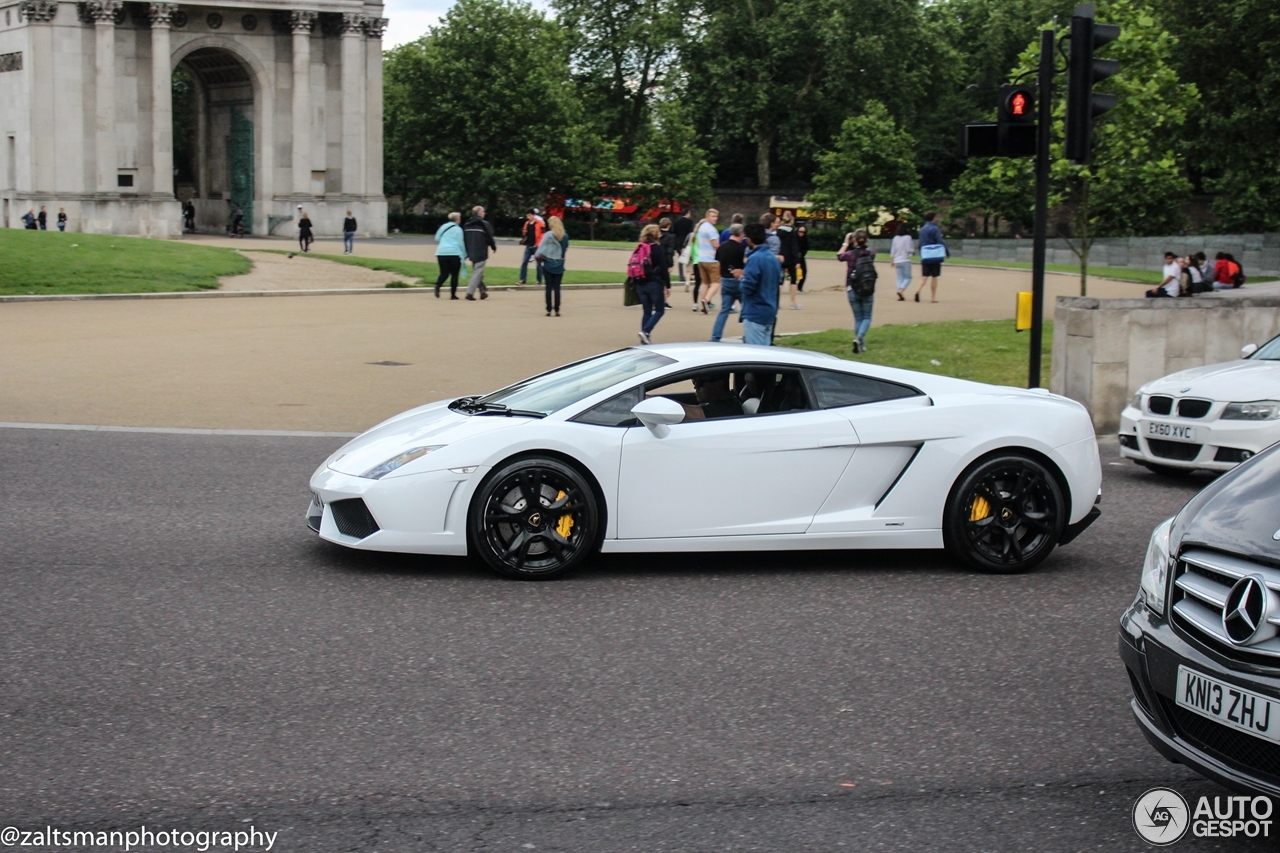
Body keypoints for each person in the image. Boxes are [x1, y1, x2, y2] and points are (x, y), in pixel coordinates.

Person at [739, 223, 781, 346]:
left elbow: (748, 287)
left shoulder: (754, 258)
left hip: (755, 312)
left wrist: (741, 278)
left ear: (750, 239)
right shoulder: (773, 259)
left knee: (754, 353)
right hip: (770, 310)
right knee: (765, 353)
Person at [839, 229, 877, 353]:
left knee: (858, 317)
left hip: (852, 287)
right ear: (867, 240)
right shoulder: (871, 254)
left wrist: (846, 242)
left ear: (854, 240)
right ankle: (859, 339)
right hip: (867, 287)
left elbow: (839, 256)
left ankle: (860, 342)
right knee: (867, 317)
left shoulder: (850, 254)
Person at [634, 224, 670, 344]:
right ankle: (646, 332)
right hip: (654, 282)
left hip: (640, 282)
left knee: (647, 310)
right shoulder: (657, 248)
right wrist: (667, 285)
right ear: (656, 235)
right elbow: (664, 268)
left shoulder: (640, 247)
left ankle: (644, 338)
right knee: (660, 310)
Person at [710, 223, 746, 342]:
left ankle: (715, 336)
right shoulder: (742, 249)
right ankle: (748, 334)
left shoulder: (722, 247)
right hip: (739, 280)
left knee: (724, 310)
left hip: (725, 279)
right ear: (741, 234)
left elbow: (718, 261)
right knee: (746, 309)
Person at [537, 214, 569, 317]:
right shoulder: (565, 236)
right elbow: (565, 249)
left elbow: (541, 248)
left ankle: (548, 309)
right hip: (560, 263)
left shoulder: (548, 235)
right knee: (557, 288)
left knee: (548, 287)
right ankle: (557, 309)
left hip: (549, 263)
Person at [463, 205, 496, 301]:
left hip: (470, 250)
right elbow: (490, 236)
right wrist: (493, 246)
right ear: (480, 213)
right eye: (484, 212)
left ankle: (483, 292)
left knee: (478, 272)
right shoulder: (484, 224)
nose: (485, 213)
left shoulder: (467, 224)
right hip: (481, 251)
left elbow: (464, 238)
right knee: (477, 272)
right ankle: (470, 292)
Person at [912, 211, 947, 302]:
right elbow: (940, 241)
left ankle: (917, 290)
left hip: (925, 254)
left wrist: (921, 254)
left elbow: (920, 243)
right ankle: (933, 297)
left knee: (924, 276)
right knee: (934, 276)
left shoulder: (922, 229)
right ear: (933, 218)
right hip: (934, 255)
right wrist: (946, 251)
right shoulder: (935, 229)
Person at [676, 374, 743, 421]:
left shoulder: (727, 410)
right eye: (694, 382)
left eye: (700, 383)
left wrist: (666, 404)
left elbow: (689, 413)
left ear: (719, 384)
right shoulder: (725, 402)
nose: (695, 387)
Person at [433, 212, 466, 299]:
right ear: (457, 219)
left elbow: (437, 238)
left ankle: (438, 285)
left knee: (444, 273)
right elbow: (460, 242)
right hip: (455, 252)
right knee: (454, 274)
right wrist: (464, 253)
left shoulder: (443, 227)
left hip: (441, 252)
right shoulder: (459, 229)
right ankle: (453, 295)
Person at [695, 209, 721, 313]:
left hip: (701, 258)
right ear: (707, 217)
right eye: (712, 216)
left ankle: (702, 306)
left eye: (716, 216)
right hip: (711, 259)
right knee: (716, 283)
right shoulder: (711, 229)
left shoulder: (702, 227)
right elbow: (715, 245)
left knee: (705, 283)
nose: (715, 218)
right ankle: (707, 300)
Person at [777, 212, 802, 309]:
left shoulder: (778, 232)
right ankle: (793, 302)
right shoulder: (792, 232)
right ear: (791, 220)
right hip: (790, 258)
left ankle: (777, 303)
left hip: (780, 257)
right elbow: (794, 248)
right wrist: (797, 260)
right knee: (793, 280)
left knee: (780, 281)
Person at [518, 209, 546, 286]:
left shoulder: (540, 224)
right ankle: (522, 279)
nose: (528, 217)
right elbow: (524, 233)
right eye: (527, 215)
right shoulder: (526, 223)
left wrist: (539, 243)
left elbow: (543, 234)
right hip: (528, 245)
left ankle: (539, 280)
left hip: (536, 246)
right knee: (524, 262)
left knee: (538, 264)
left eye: (529, 215)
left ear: (533, 215)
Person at [890, 224, 914, 300]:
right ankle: (901, 291)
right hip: (905, 259)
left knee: (899, 278)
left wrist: (892, 260)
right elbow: (908, 249)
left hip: (897, 260)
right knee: (908, 277)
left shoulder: (895, 238)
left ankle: (899, 295)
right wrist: (913, 252)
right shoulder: (908, 238)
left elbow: (893, 250)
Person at [658, 217, 677, 308]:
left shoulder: (656, 236)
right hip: (664, 260)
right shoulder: (670, 237)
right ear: (669, 226)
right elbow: (669, 252)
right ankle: (663, 301)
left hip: (655, 260)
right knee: (665, 280)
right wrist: (670, 264)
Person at [672, 212, 694, 286]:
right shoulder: (690, 222)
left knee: (681, 259)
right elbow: (691, 232)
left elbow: (674, 233)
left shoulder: (676, 222)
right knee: (690, 259)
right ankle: (689, 274)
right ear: (688, 213)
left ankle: (681, 276)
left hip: (678, 242)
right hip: (687, 242)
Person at [795, 224, 809, 293]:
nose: (801, 233)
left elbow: (806, 248)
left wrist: (801, 254)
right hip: (793, 257)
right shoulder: (793, 238)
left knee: (804, 271)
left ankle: (799, 287)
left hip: (801, 257)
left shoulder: (805, 239)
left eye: (803, 232)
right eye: (800, 231)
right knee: (791, 273)